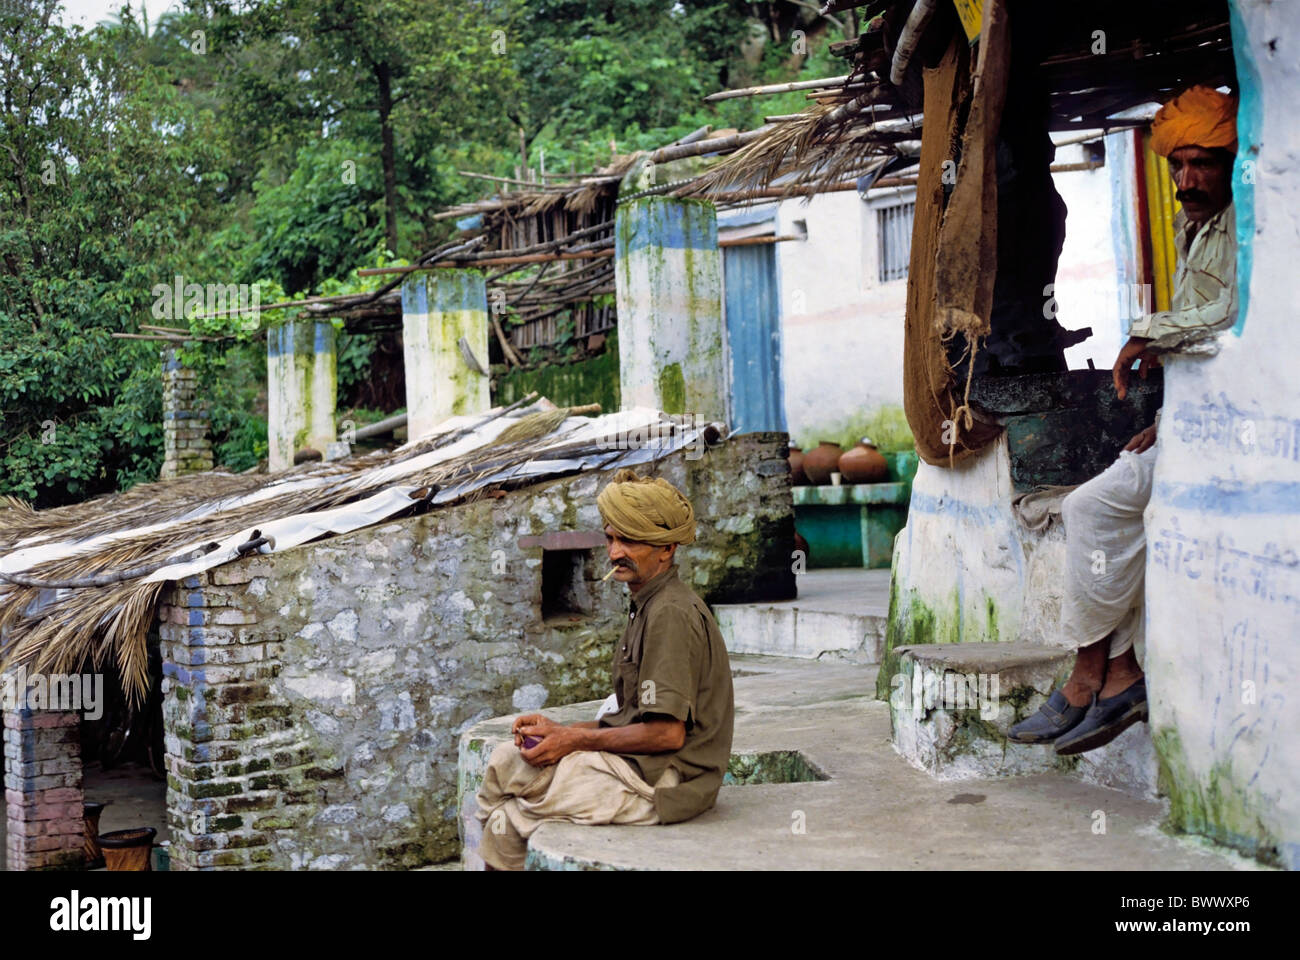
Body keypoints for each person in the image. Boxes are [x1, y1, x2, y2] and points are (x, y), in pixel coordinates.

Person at [1009, 85, 1239, 755]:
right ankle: (1115, 673)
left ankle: (1093, 673)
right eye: (1179, 165)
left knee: (1091, 511)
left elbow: (1233, 317)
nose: (1188, 179)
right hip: (1191, 426)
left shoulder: (1254, 223)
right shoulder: (1196, 225)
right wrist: (1166, 418)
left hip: (1235, 434)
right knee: (1105, 510)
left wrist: (1146, 331)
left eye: (1204, 163)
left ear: (1231, 164)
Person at [474, 468, 734, 870]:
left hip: (667, 781)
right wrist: (562, 732)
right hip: (638, 763)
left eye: (629, 540)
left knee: (509, 819)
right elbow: (632, 718)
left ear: (666, 549)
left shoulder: (670, 614)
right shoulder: (647, 604)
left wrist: (573, 743)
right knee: (506, 761)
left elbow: (666, 733)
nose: (614, 553)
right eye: (611, 538)